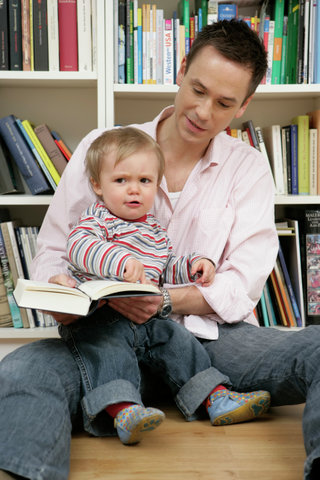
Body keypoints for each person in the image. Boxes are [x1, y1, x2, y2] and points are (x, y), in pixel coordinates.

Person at [0, 18, 319, 480]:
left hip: (213, 343)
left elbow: (241, 282)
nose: (203, 112)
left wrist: (165, 298)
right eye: (198, 89)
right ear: (182, 68)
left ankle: (211, 395)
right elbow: (54, 248)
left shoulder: (248, 167)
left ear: (244, 105)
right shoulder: (102, 148)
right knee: (20, 373)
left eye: (225, 103)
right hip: (104, 339)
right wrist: (63, 294)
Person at [62, 126, 270, 445]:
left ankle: (215, 398)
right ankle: (124, 411)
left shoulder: (154, 232)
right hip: (101, 318)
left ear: (155, 186)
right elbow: (79, 247)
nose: (134, 190)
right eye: (121, 181)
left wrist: (194, 265)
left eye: (144, 181)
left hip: (148, 318)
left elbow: (166, 264)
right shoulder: (96, 219)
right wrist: (122, 263)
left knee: (180, 341)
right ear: (97, 185)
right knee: (109, 354)